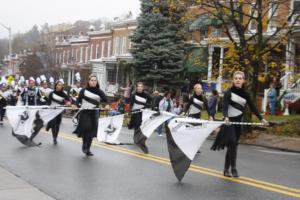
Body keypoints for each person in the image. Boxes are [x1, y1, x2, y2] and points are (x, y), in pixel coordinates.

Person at [211, 71, 268, 178]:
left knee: (233, 146)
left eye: (240, 78)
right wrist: (226, 116)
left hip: (238, 123)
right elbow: (225, 106)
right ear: (233, 80)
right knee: (232, 142)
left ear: (243, 80)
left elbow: (253, 107)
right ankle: (233, 168)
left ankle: (225, 169)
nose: (238, 80)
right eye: (236, 78)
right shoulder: (228, 92)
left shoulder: (246, 94)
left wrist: (262, 119)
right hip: (229, 122)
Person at [73, 75, 108, 156]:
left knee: (92, 131)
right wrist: (76, 105)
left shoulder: (99, 91)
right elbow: (78, 100)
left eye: (95, 80)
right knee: (87, 127)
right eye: (92, 80)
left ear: (97, 82)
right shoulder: (83, 90)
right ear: (88, 81)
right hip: (85, 112)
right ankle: (84, 144)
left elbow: (106, 100)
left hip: (94, 113)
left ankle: (88, 148)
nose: (93, 82)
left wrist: (107, 105)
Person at [128, 82, 152, 153]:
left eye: (141, 86)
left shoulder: (146, 95)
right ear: (136, 87)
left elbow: (150, 102)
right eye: (138, 86)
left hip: (143, 113)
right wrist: (130, 111)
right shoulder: (134, 95)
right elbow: (131, 104)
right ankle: (136, 140)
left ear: (143, 87)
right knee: (137, 125)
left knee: (142, 126)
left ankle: (138, 139)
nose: (140, 88)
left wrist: (146, 106)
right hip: (135, 112)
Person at [46, 80, 71, 144]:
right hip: (52, 110)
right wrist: (47, 108)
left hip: (59, 111)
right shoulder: (51, 93)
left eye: (61, 85)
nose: (59, 86)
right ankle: (54, 137)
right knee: (53, 123)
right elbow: (48, 102)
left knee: (57, 124)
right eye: (58, 85)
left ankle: (55, 137)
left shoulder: (63, 93)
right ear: (56, 86)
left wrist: (68, 103)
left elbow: (68, 100)